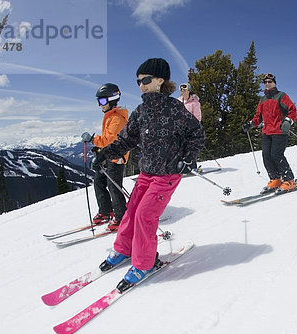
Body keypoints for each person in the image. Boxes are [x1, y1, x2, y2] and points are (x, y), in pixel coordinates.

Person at [91, 58, 205, 291]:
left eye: (146, 80)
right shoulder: (141, 111)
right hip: (147, 172)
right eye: (138, 81)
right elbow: (126, 140)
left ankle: (145, 263)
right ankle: (124, 249)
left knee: (145, 215)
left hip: (168, 173)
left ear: (160, 80)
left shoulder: (174, 109)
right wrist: (104, 155)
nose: (141, 85)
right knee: (131, 211)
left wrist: (187, 159)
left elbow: (197, 134)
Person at [81, 83, 129, 231]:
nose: (100, 105)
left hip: (117, 157)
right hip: (108, 156)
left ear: (112, 99)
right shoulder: (110, 117)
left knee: (114, 187)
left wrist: (93, 139)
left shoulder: (117, 119)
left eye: (102, 101)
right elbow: (108, 140)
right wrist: (99, 149)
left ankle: (121, 217)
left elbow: (110, 139)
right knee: (99, 182)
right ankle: (105, 210)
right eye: (99, 102)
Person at [243, 73, 297, 192]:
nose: (267, 83)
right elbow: (258, 116)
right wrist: (251, 124)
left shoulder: (281, 96)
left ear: (274, 82)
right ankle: (275, 179)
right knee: (266, 156)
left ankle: (289, 180)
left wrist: (288, 121)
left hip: (279, 131)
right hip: (267, 132)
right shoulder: (263, 99)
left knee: (276, 155)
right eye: (265, 82)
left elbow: (292, 110)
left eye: (270, 81)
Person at [177, 82, 202, 172]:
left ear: (188, 90)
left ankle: (192, 166)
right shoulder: (178, 101)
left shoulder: (195, 103)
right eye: (181, 90)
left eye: (184, 90)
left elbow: (197, 117)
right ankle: (182, 167)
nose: (182, 91)